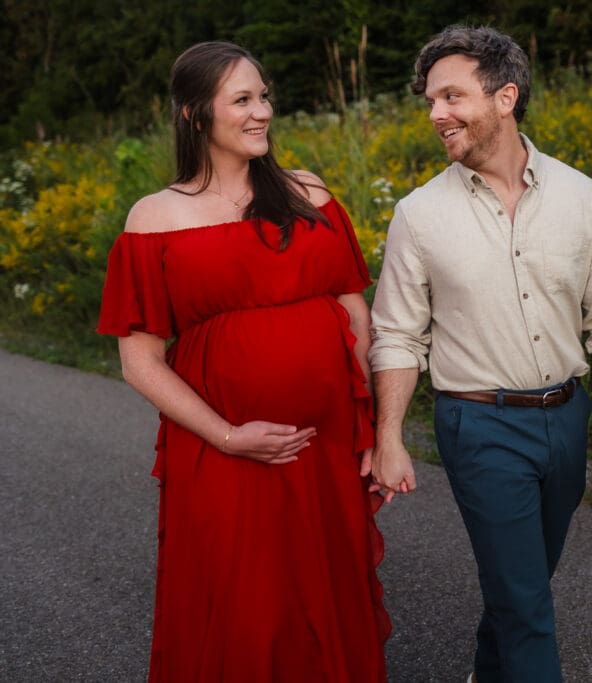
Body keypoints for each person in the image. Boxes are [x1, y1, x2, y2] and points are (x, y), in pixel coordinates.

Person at [97, 41, 389, 681]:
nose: (262, 113)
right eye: (242, 100)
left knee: (326, 589)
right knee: (242, 601)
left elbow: (356, 311)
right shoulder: (154, 218)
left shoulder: (308, 193)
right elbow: (139, 361)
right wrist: (228, 436)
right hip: (223, 448)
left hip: (327, 441)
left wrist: (369, 428)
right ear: (194, 114)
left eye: (264, 97)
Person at [369, 25, 592, 683]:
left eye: (451, 96)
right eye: (431, 101)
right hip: (478, 424)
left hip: (566, 416)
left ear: (505, 96)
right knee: (526, 603)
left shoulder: (581, 195)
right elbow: (397, 335)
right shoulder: (419, 214)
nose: (436, 114)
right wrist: (389, 435)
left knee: (523, 580)